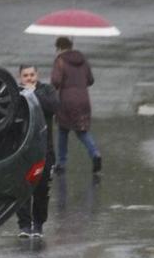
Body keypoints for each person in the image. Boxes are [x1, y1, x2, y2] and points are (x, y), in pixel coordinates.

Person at [16, 65, 58, 238]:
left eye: (32, 75)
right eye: (25, 76)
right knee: (22, 189)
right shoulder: (16, 93)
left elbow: (53, 107)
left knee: (41, 190)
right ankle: (25, 225)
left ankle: (38, 224)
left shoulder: (46, 90)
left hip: (44, 150)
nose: (29, 78)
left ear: (37, 75)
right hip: (22, 151)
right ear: (20, 78)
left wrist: (33, 94)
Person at [50, 37, 102, 173]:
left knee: (63, 131)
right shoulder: (83, 60)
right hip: (83, 99)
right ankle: (95, 153)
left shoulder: (60, 60)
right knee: (82, 130)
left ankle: (61, 164)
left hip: (67, 101)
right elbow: (90, 80)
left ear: (60, 47)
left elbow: (55, 81)